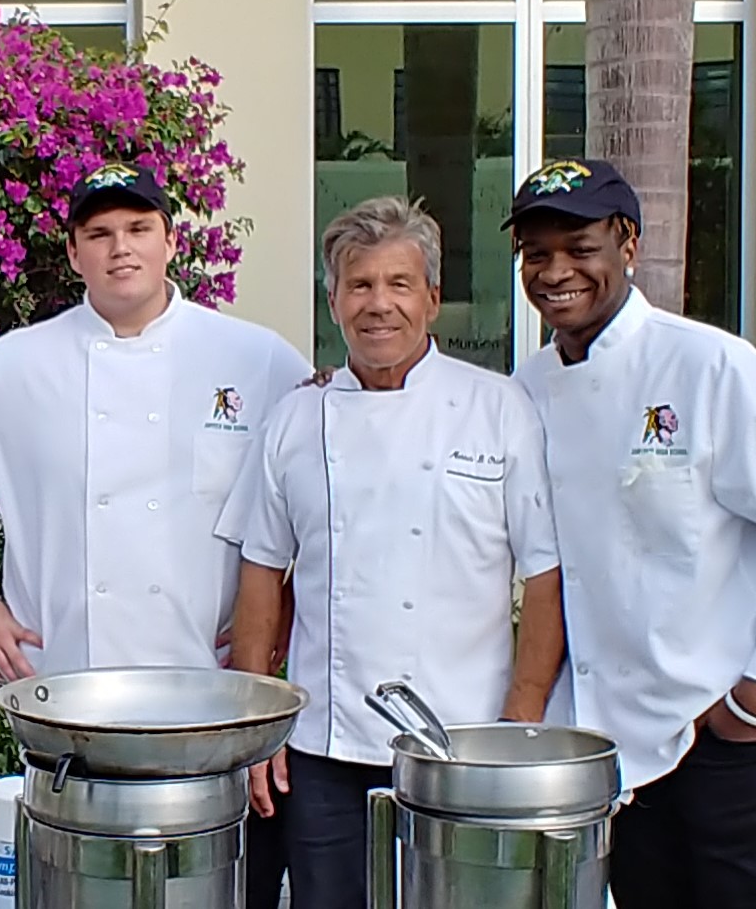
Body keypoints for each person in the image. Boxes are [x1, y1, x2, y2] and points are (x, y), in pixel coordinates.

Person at [0, 162, 308, 908]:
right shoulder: (12, 366)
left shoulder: (255, 358)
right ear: (74, 253)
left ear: (170, 241)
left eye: (139, 229)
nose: (121, 249)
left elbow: (320, 502)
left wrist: (278, 646)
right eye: (99, 234)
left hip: (209, 694)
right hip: (65, 690)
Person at [505, 157, 756, 909]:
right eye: (537, 253)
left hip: (737, 741)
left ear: (627, 243)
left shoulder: (713, 367)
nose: (556, 271)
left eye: (580, 247)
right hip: (620, 751)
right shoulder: (528, 388)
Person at [216, 195, 564, 909]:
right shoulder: (296, 418)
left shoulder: (499, 409)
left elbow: (546, 575)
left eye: (399, 284)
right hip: (325, 748)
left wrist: (517, 726)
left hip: (465, 742)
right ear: (335, 301)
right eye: (360, 285)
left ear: (432, 299)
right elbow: (260, 575)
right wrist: (256, 730)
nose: (379, 305)